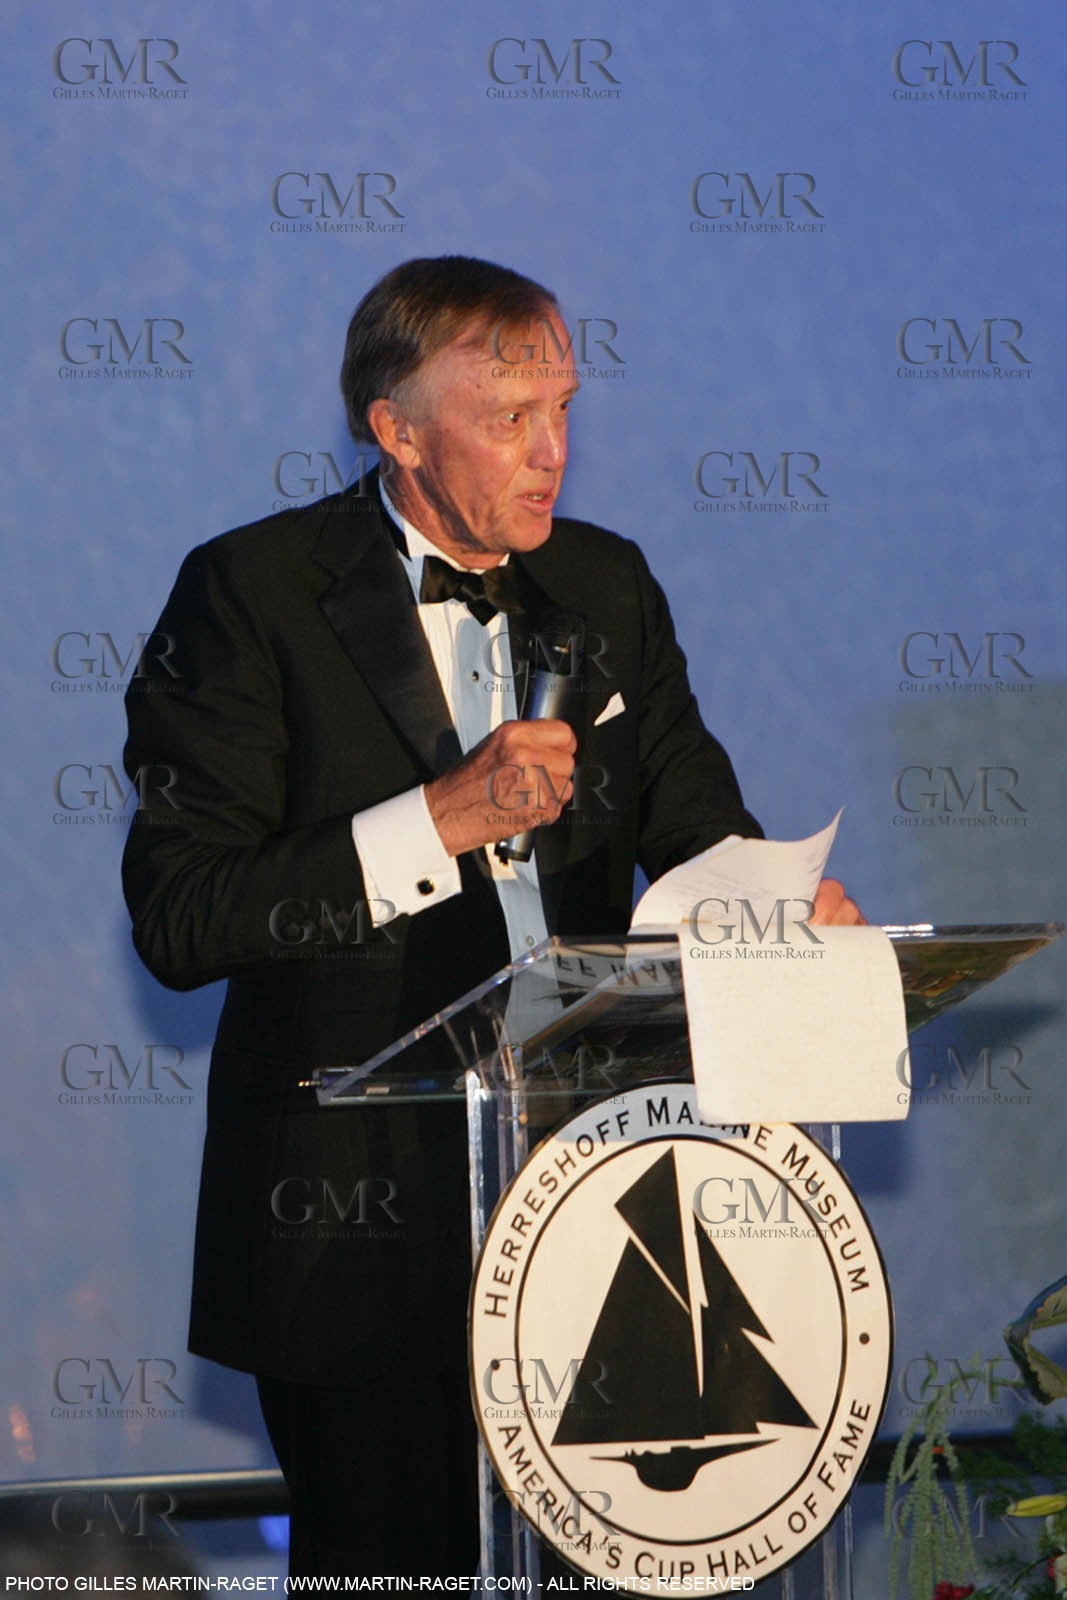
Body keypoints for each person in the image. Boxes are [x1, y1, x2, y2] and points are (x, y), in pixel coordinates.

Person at [121, 256, 861, 1579]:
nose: (552, 452)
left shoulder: (609, 587)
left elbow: (698, 831)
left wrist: (785, 908)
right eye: (509, 419)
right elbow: (184, 914)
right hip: (352, 1239)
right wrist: (439, 819)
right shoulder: (249, 592)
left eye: (565, 410)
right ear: (396, 428)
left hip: (602, 1209)